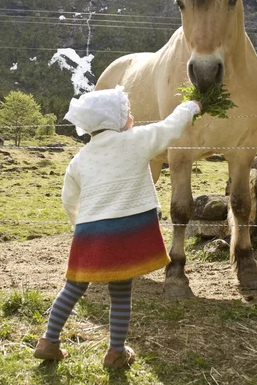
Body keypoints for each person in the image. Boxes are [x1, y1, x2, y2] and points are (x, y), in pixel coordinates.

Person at [33, 85, 201, 368]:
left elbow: (69, 199)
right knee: (121, 291)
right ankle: (115, 352)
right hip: (125, 231)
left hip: (89, 232)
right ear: (115, 119)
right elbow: (170, 128)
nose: (131, 115)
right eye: (127, 112)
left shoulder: (79, 159)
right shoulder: (136, 140)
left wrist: (80, 226)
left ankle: (48, 340)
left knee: (73, 286)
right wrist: (192, 106)